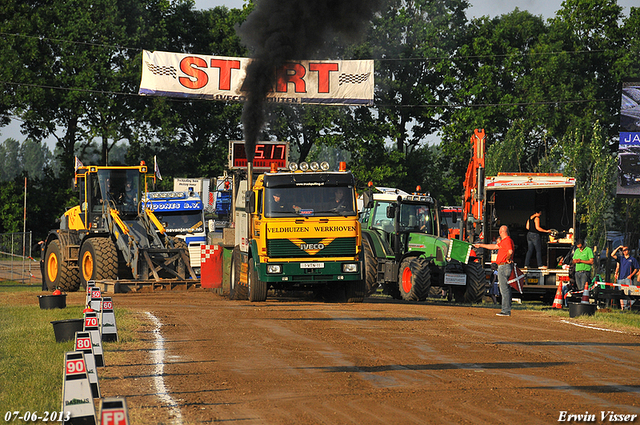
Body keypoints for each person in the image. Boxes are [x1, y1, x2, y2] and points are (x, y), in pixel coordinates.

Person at [474, 225, 514, 316]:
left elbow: (510, 251)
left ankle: (506, 310)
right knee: (505, 289)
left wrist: (507, 258)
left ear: (502, 232)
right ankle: (506, 309)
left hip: (504, 266)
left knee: (504, 290)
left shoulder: (507, 240)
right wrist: (480, 245)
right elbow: (493, 246)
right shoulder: (505, 241)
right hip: (504, 266)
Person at [611, 245, 639, 310]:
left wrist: (631, 275)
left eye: (626, 250)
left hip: (628, 279)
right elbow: (612, 254)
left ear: (628, 251)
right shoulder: (621, 258)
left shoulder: (632, 259)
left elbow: (636, 268)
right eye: (623, 250)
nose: (624, 251)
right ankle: (623, 308)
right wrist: (618, 247)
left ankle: (629, 307)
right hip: (620, 278)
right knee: (621, 294)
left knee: (629, 293)